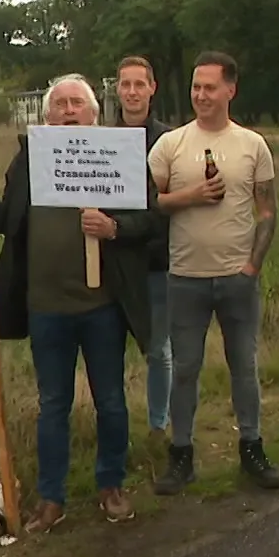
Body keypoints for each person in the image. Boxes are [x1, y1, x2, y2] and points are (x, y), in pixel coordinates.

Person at [0, 75, 160, 531]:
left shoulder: (118, 157)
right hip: (46, 309)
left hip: (101, 307)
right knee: (53, 404)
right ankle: (50, 498)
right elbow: (11, 219)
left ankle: (111, 485)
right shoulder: (29, 160)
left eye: (76, 103)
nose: (67, 110)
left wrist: (114, 229)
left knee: (111, 401)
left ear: (93, 114)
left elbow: (151, 218)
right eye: (59, 104)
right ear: (46, 116)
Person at [147, 52, 279, 493]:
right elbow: (150, 202)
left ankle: (252, 447)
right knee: (185, 368)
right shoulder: (172, 145)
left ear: (230, 90)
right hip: (185, 277)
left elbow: (267, 211)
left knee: (244, 365)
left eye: (209, 87)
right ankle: (181, 454)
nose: (200, 95)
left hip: (237, 279)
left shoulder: (252, 145)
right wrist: (192, 194)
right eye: (195, 87)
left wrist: (251, 266)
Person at [114, 56, 173, 436]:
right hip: (114, 260)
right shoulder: (101, 139)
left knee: (158, 350)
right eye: (126, 85)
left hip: (158, 260)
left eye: (140, 84)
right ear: (117, 90)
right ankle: (114, 427)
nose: (132, 92)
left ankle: (158, 425)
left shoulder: (171, 140)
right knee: (110, 351)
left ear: (152, 88)